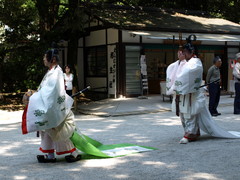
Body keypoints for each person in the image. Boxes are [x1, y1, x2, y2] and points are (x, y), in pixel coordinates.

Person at [166, 36, 240, 144]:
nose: (182, 55)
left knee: (190, 113)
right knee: (183, 113)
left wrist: (179, 83)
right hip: (181, 94)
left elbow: (187, 74)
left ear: (191, 52)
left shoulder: (195, 62)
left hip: (191, 93)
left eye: (184, 53)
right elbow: (174, 71)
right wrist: (180, 62)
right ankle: (191, 131)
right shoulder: (183, 62)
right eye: (181, 53)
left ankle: (190, 133)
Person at [22, 49, 81, 163]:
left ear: (52, 59)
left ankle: (74, 153)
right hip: (49, 104)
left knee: (58, 131)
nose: (44, 59)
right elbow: (45, 89)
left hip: (55, 106)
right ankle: (50, 155)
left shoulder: (57, 72)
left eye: (45, 57)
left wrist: (35, 95)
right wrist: (35, 94)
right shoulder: (51, 71)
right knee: (46, 129)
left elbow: (52, 91)